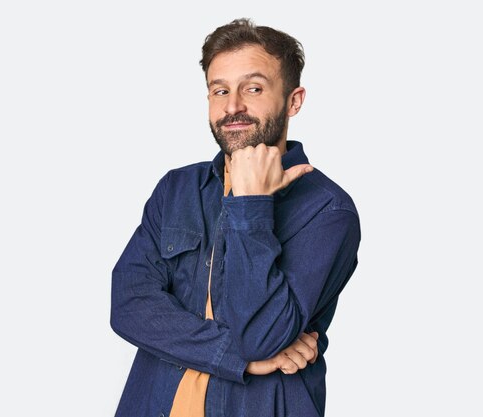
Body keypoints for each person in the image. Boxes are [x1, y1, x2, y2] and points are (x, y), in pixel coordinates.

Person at [111, 18, 361, 417]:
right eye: (220, 90)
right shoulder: (176, 189)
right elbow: (129, 305)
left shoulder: (328, 211)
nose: (232, 106)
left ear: (293, 101)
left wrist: (251, 205)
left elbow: (259, 337)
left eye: (254, 88)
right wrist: (237, 358)